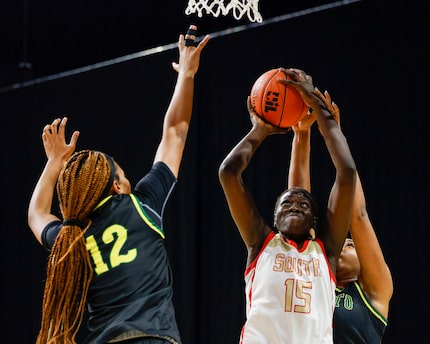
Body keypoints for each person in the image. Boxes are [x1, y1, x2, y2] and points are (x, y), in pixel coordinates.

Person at [27, 25, 210, 344]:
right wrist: (187, 75)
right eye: (123, 173)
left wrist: (54, 163)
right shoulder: (142, 205)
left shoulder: (72, 235)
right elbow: (175, 131)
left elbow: (36, 214)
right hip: (152, 337)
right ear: (118, 187)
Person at [218, 68, 357, 344]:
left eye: (303, 203)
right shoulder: (261, 243)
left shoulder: (325, 250)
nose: (294, 205)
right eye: (286, 203)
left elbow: (347, 174)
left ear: (315, 221)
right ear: (274, 217)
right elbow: (228, 173)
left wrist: (322, 112)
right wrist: (259, 130)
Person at [287, 90, 393, 343]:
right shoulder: (314, 276)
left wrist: (334, 132)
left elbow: (357, 215)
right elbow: (298, 210)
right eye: (346, 242)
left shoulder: (375, 292)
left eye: (351, 244)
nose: (347, 241)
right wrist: (301, 135)